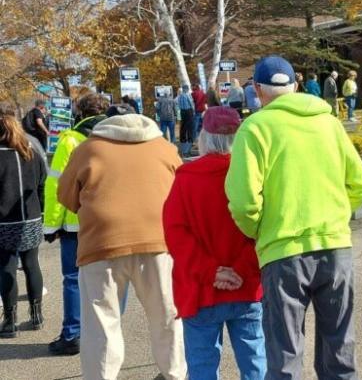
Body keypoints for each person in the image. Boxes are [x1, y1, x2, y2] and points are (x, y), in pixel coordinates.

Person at [225, 56, 362, 380]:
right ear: (295, 86)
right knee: (340, 350)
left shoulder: (255, 128)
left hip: (282, 252)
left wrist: (260, 230)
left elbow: (242, 201)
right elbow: (360, 184)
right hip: (335, 248)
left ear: (257, 91)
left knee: (284, 356)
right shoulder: (329, 122)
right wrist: (336, 215)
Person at [57, 109, 186, 380]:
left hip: (101, 243)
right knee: (166, 315)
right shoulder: (164, 147)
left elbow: (66, 196)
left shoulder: (88, 149)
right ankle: (174, 373)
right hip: (158, 241)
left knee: (101, 322)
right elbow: (183, 191)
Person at [164, 106, 266, 380]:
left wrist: (212, 272)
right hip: (247, 286)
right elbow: (263, 230)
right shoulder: (254, 175)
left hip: (200, 290)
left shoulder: (186, 179)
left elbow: (176, 234)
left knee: (202, 365)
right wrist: (241, 271)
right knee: (255, 359)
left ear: (204, 136)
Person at [43, 93, 108, 355]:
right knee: (107, 281)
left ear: (79, 112)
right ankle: (102, 333)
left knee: (72, 279)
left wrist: (50, 225)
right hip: (106, 221)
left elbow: (57, 185)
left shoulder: (70, 139)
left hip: (74, 221)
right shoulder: (116, 136)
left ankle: (72, 334)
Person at [0, 103, 46, 339]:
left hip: (4, 221)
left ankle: (10, 320)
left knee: (6, 268)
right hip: (31, 216)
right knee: (31, 265)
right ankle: (36, 315)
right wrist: (43, 213)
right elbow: (41, 184)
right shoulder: (31, 150)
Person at [177, 85, 196, 157]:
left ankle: (183, 139)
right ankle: (190, 139)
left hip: (182, 111)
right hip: (188, 111)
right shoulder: (187, 95)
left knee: (183, 125)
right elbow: (191, 103)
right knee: (190, 126)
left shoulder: (180, 96)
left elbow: (178, 104)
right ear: (187, 89)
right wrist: (193, 110)